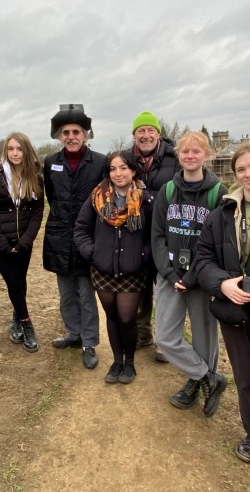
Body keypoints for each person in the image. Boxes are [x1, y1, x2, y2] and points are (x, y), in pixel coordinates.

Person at [151, 131, 227, 416]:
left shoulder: (217, 193)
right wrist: (171, 275)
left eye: (197, 151)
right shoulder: (168, 191)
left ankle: (197, 385)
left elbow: (219, 242)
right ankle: (206, 377)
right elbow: (157, 236)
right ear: (178, 156)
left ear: (207, 155)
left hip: (203, 278)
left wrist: (194, 276)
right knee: (166, 338)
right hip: (171, 275)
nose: (190, 156)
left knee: (204, 337)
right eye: (185, 152)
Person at [74, 151, 153, 383]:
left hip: (132, 271)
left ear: (133, 171)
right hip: (103, 270)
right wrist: (93, 252)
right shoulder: (97, 197)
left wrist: (142, 255)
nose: (117, 173)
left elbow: (154, 235)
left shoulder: (146, 200)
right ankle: (116, 361)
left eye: (123, 168)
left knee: (127, 318)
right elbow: (81, 228)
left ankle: (129, 363)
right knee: (112, 316)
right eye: (112, 168)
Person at [196, 143, 250, 463]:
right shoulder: (222, 215)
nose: (247, 174)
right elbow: (203, 259)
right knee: (244, 374)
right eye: (241, 169)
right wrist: (222, 283)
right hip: (235, 307)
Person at [43, 104, 106, 369]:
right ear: (60, 136)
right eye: (66, 132)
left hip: (87, 235)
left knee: (85, 293)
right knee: (66, 292)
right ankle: (73, 333)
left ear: (86, 135)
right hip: (59, 236)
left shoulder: (100, 162)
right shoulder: (50, 162)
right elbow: (51, 196)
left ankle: (89, 341)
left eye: (76, 132)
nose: (71, 136)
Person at [0, 132, 44, 352]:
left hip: (23, 241)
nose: (15, 153)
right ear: (5, 151)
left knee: (20, 281)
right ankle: (27, 323)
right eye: (11, 149)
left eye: (19, 149)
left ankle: (16, 318)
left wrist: (26, 240)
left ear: (26, 151)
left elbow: (37, 211)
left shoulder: (35, 175)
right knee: (14, 282)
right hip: (0, 243)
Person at [130, 111, 181, 362]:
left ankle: (165, 340)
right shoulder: (128, 160)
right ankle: (143, 334)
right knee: (141, 288)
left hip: (166, 234)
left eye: (151, 130)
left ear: (158, 134)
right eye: (141, 130)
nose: (146, 135)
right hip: (136, 233)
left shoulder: (174, 159)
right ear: (134, 135)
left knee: (165, 288)